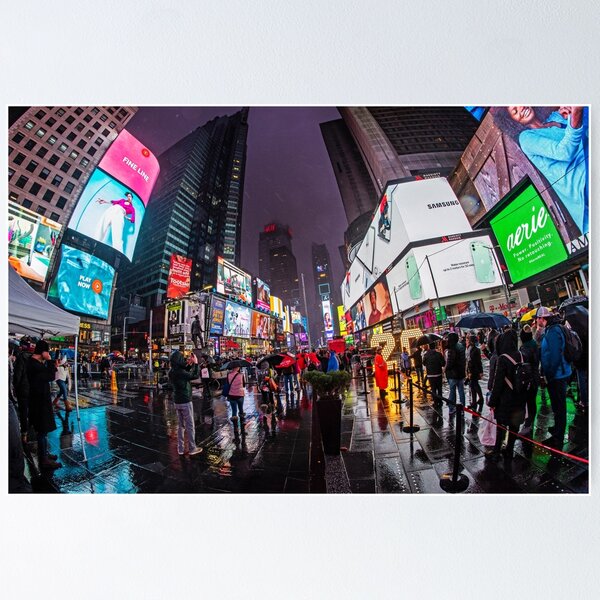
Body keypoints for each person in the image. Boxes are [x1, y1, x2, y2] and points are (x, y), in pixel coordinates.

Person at [504, 106, 588, 235]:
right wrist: (576, 114)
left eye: (520, 103)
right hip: (582, 186)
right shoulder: (526, 138)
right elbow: (564, 152)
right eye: (515, 111)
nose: (521, 108)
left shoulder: (555, 118)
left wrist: (571, 115)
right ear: (514, 121)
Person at [486, 330, 527, 460]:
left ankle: (497, 451)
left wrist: (492, 402)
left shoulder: (502, 359)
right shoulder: (521, 355)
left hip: (505, 399)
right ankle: (509, 448)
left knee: (501, 425)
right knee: (514, 425)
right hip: (519, 397)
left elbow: (497, 384)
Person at [538, 307, 572, 448]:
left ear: (542, 318)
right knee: (557, 406)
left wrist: (549, 375)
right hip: (556, 374)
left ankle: (558, 437)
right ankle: (557, 429)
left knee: (559, 407)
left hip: (557, 376)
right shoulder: (550, 330)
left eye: (537, 318)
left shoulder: (553, 332)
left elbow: (555, 356)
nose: (536, 321)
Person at [26, 340, 61, 470]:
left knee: (43, 430)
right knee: (42, 431)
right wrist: (51, 361)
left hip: (40, 400)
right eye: (47, 351)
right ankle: (43, 459)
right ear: (42, 351)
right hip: (39, 402)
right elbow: (50, 376)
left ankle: (44, 454)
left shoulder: (35, 363)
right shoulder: (34, 365)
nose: (48, 353)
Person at [168, 351, 203, 456]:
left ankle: (180, 448)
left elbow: (185, 372)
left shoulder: (172, 371)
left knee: (181, 425)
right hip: (185, 400)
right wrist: (196, 364)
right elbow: (195, 375)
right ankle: (192, 448)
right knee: (190, 425)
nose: (184, 359)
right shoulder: (181, 372)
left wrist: (190, 364)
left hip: (177, 401)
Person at [519, 325, 540, 435]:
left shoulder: (525, 348)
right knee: (532, 401)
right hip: (535, 376)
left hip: (529, 378)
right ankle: (530, 422)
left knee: (529, 401)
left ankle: (528, 424)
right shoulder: (534, 344)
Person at [444, 332, 466, 416]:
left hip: (452, 374)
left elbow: (450, 362)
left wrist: (446, 369)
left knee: (452, 391)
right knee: (461, 391)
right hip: (460, 373)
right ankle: (462, 408)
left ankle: (451, 408)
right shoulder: (461, 346)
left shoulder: (451, 348)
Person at [466, 335, 484, 413]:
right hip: (470, 370)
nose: (468, 341)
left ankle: (480, 398)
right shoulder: (469, 349)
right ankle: (474, 402)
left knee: (474, 384)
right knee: (472, 386)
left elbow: (478, 361)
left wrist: (480, 371)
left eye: (469, 340)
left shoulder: (476, 350)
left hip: (475, 370)